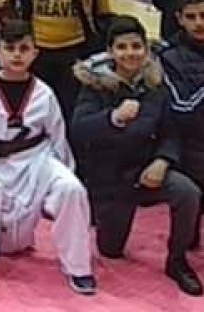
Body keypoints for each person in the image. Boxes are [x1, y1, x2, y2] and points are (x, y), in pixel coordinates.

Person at [73, 16, 202, 296]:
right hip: (111, 179)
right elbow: (79, 130)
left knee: (187, 192)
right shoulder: (93, 85)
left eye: (136, 46)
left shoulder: (157, 85)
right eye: (122, 47)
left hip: (147, 171)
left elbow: (171, 132)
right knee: (110, 250)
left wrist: (163, 160)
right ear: (110, 51)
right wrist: (113, 118)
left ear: (146, 49)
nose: (130, 53)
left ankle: (177, 260)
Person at [0, 20, 96, 295]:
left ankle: (78, 267)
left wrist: (65, 171)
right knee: (4, 231)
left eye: (24, 49)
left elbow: (57, 134)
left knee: (72, 189)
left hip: (37, 159)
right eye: (10, 48)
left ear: (34, 53)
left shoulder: (44, 92)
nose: (17, 55)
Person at [159, 0, 204, 250]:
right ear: (179, 18)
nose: (199, 23)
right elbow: (181, 106)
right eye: (191, 16)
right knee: (188, 240)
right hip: (188, 146)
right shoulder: (168, 57)